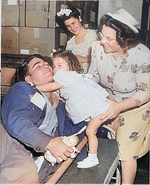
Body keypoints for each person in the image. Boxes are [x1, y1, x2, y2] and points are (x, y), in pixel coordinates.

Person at [1, 54, 87, 183]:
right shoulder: (23, 89)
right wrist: (49, 142)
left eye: (46, 63)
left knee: (27, 175)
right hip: (7, 137)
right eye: (38, 66)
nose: (46, 65)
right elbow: (15, 119)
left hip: (24, 152)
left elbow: (74, 132)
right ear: (29, 79)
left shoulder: (61, 104)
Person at [88, 8, 150, 184]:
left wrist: (119, 108)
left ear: (124, 41)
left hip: (135, 105)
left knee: (126, 148)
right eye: (102, 35)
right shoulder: (96, 49)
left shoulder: (142, 55)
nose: (102, 41)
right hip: (108, 100)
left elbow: (145, 91)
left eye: (109, 39)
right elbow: (93, 77)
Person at [36, 50, 110, 168]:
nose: (55, 69)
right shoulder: (72, 77)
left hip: (96, 108)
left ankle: (93, 157)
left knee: (90, 132)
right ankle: (91, 155)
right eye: (54, 66)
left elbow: (51, 86)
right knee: (91, 131)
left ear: (69, 66)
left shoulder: (64, 75)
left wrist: (35, 87)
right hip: (96, 106)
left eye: (60, 65)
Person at [56, 7, 99, 74]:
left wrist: (84, 59)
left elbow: (106, 59)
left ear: (79, 18)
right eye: (68, 26)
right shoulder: (70, 44)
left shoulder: (95, 35)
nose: (72, 28)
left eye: (73, 23)